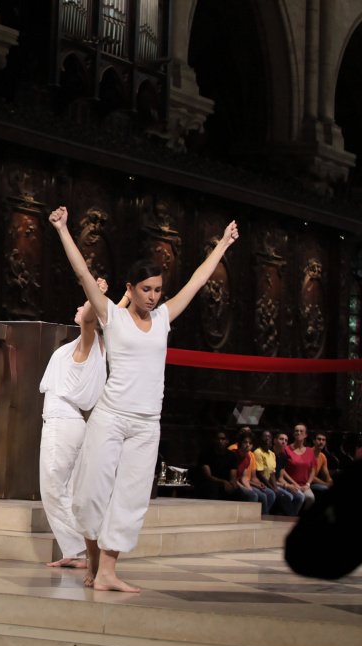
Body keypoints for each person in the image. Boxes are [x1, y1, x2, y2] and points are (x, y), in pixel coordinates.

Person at [50, 205, 239, 592]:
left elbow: (198, 281)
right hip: (111, 416)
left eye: (157, 290)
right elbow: (84, 274)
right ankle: (93, 561)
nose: (153, 297)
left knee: (131, 497)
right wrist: (63, 229)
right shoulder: (112, 317)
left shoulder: (164, 318)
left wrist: (223, 244)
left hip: (146, 423)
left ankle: (107, 572)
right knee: (90, 494)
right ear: (131, 289)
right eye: (146, 290)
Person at [38, 280, 109, 568]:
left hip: (62, 421)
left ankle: (79, 550)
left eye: (83, 305)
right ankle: (76, 549)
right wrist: (124, 298)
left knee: (53, 487)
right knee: (63, 488)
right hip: (72, 422)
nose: (78, 308)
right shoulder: (91, 346)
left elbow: (93, 317)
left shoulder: (87, 343)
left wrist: (95, 294)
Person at [254, 430, 304, 516]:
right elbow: (260, 474)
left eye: (286, 440)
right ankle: (284, 517)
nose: (284, 442)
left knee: (299, 496)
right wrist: (278, 488)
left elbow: (276, 475)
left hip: (275, 484)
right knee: (285, 496)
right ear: (275, 440)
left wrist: (282, 487)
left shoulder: (276, 455)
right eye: (281, 439)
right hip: (264, 483)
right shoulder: (259, 452)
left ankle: (290, 517)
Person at [194, 431, 244, 501]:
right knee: (212, 488)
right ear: (214, 440)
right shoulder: (205, 453)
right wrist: (223, 482)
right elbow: (208, 476)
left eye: (223, 439)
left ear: (227, 441)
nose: (220, 441)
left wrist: (232, 483)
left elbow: (233, 475)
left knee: (238, 492)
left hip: (226, 483)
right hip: (210, 482)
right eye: (218, 439)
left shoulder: (232, 456)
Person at [279, 423, 316, 511]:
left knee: (311, 498)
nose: (298, 433)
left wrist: (308, 484)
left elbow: (313, 470)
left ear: (305, 435)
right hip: (291, 483)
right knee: (300, 497)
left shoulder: (310, 451)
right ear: (293, 434)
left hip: (304, 485)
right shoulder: (286, 449)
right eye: (296, 431)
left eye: (301, 431)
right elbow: (282, 470)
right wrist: (294, 484)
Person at [236, 431, 274, 514]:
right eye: (245, 442)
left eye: (250, 443)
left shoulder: (248, 457)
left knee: (265, 494)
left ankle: (264, 518)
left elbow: (244, 478)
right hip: (234, 483)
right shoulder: (234, 455)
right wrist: (245, 488)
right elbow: (234, 478)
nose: (248, 445)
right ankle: (248, 518)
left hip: (242, 482)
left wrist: (249, 488)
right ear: (240, 443)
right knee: (253, 495)